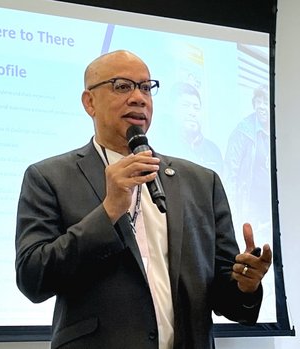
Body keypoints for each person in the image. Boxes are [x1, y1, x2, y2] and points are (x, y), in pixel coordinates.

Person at [15, 50, 272, 349]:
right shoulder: (49, 177)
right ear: (89, 102)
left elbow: (226, 297)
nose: (139, 97)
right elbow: (33, 277)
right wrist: (109, 211)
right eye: (122, 86)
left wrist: (246, 285)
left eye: (146, 87)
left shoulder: (202, 183)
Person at [224, 85, 270, 235]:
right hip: (250, 209)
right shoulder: (242, 132)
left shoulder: (278, 130)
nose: (262, 107)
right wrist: (233, 216)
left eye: (266, 102)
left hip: (271, 208)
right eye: (258, 102)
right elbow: (230, 175)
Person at [159, 82, 223, 174]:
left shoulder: (213, 151)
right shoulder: (162, 146)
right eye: (185, 106)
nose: (192, 112)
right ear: (172, 109)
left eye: (196, 108)